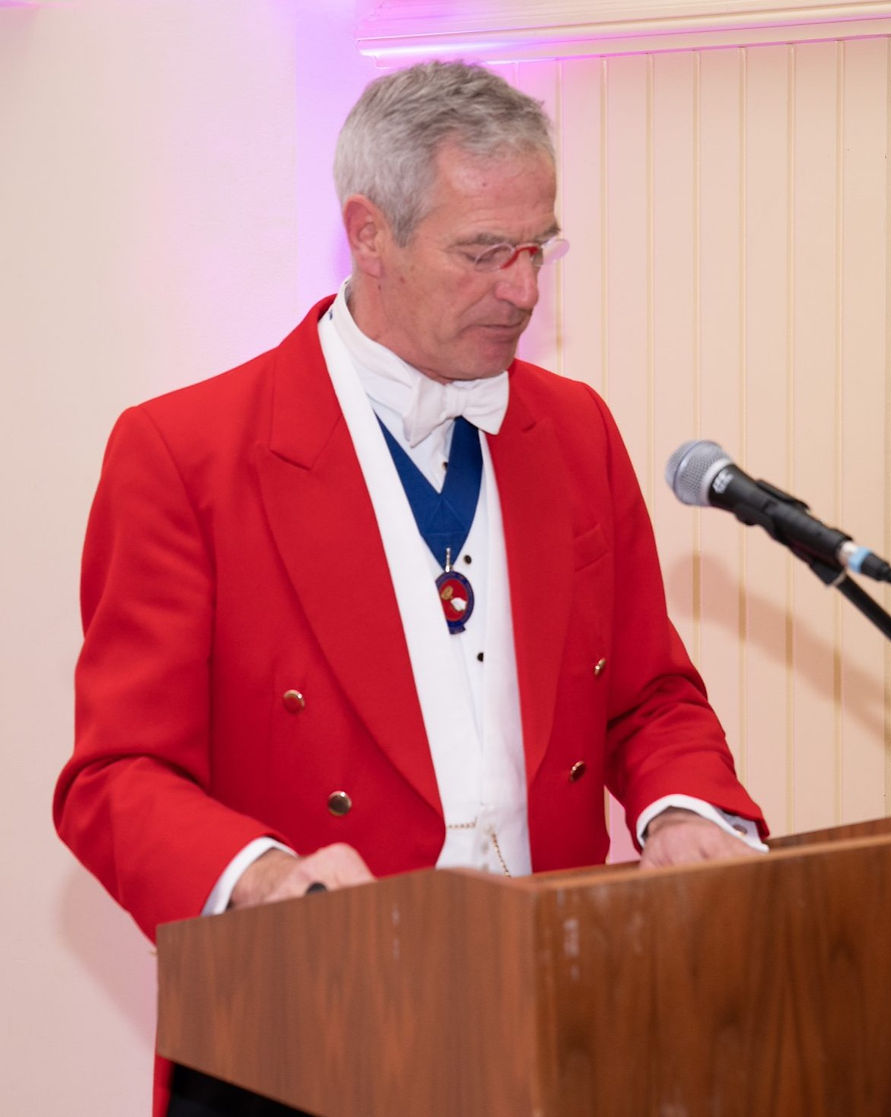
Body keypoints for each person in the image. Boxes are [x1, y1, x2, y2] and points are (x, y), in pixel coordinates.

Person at [53, 60, 767, 1117]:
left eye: (539, 250)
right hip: (306, 1037)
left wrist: (681, 806)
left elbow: (649, 694)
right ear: (369, 234)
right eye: (484, 253)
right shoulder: (183, 453)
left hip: (556, 1022)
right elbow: (115, 774)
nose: (523, 291)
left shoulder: (574, 431)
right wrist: (259, 876)